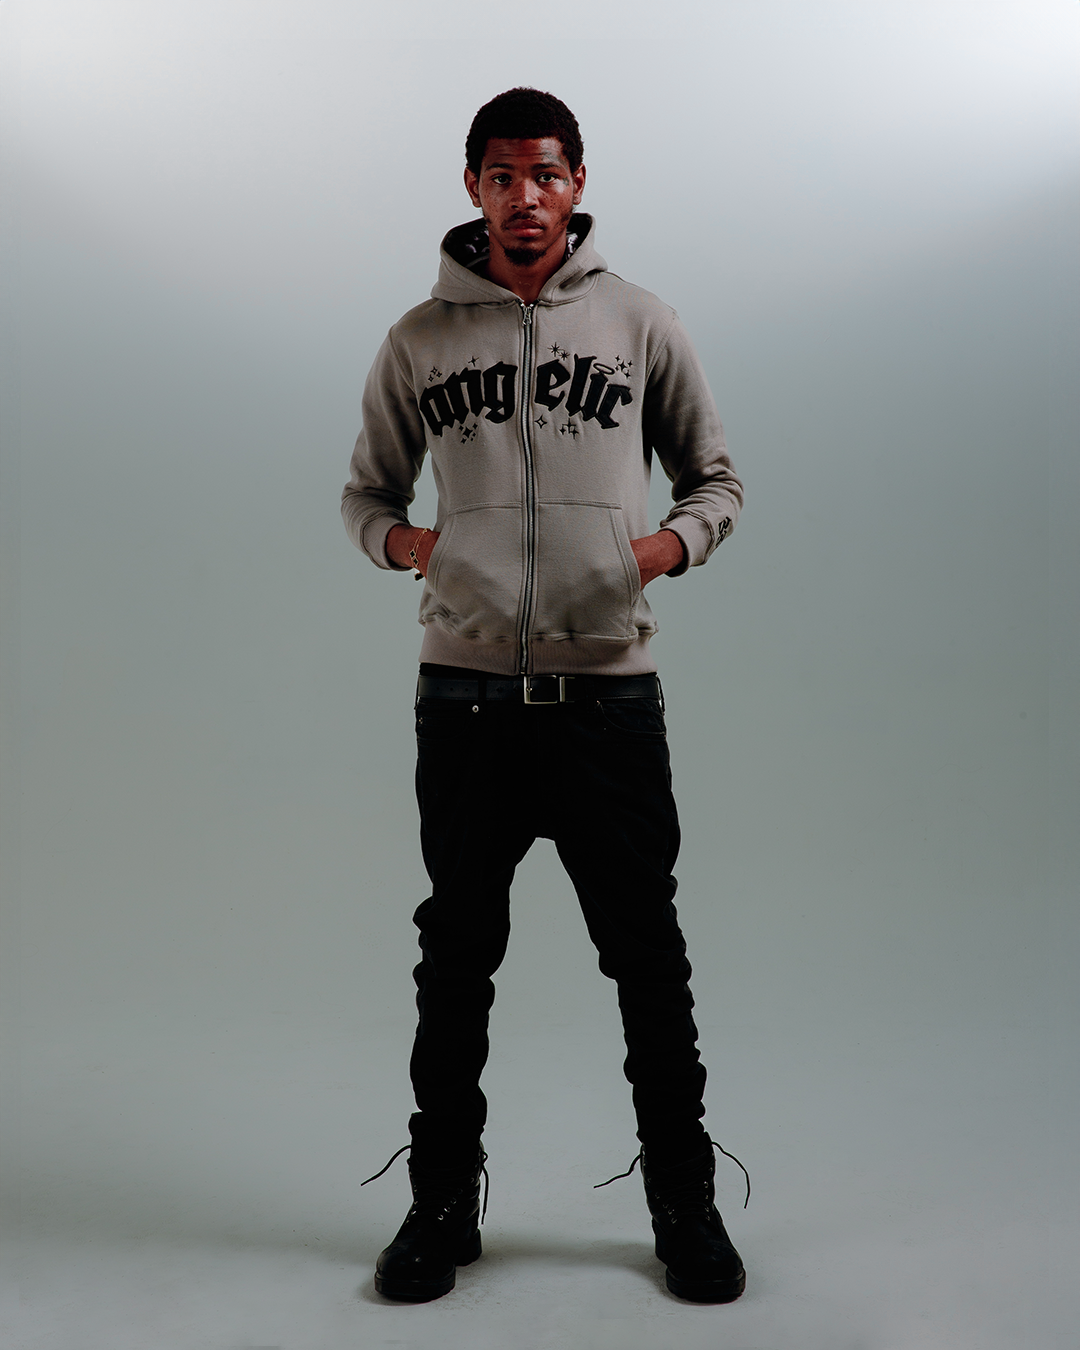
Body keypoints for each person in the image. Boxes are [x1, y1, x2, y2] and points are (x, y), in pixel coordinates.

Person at [342, 87, 746, 1305]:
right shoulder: (420, 338)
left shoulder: (640, 322)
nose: (527, 198)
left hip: (607, 704)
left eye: (548, 174)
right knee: (456, 959)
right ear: (473, 185)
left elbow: (716, 480)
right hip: (464, 702)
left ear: (578, 184)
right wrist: (417, 548)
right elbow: (366, 496)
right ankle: (438, 1205)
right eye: (504, 175)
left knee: (647, 958)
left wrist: (657, 551)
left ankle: (684, 1203)